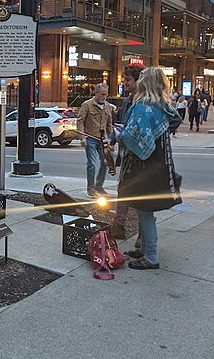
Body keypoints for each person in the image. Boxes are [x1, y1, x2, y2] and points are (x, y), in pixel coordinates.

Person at [118, 67, 182, 270]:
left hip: (143, 167)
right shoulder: (163, 106)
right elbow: (172, 124)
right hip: (160, 164)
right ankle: (144, 249)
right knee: (145, 209)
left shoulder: (143, 107)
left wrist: (117, 136)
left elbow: (133, 138)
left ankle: (151, 255)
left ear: (146, 82)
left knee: (145, 211)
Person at [110, 64, 143, 240]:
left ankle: (143, 235)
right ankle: (118, 225)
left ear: (139, 80)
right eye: (125, 79)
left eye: (128, 79)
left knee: (141, 195)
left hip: (141, 157)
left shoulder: (147, 101)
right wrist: (113, 137)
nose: (125, 83)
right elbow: (123, 126)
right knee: (123, 190)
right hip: (126, 154)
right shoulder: (126, 101)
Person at [77, 83, 113, 198]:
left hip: (102, 140)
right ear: (96, 93)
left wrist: (110, 139)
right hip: (90, 138)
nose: (104, 96)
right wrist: (82, 138)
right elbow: (80, 121)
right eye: (102, 94)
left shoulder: (108, 106)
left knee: (105, 162)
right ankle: (90, 189)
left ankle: (99, 186)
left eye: (106, 94)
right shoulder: (87, 105)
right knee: (92, 163)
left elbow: (109, 124)